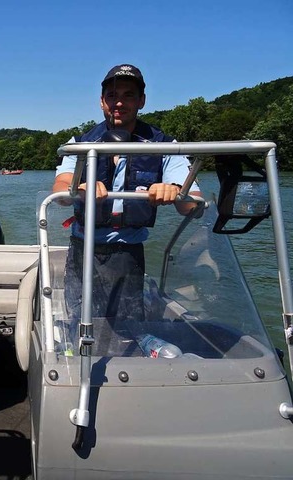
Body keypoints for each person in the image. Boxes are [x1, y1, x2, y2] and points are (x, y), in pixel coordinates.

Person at [52, 64, 201, 346]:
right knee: (78, 326)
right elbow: (59, 192)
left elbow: (193, 205)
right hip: (82, 248)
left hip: (129, 251)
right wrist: (78, 189)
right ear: (101, 101)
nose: (118, 102)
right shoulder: (80, 143)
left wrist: (175, 191)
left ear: (141, 101)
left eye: (128, 95)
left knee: (126, 332)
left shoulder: (165, 145)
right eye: (112, 95)